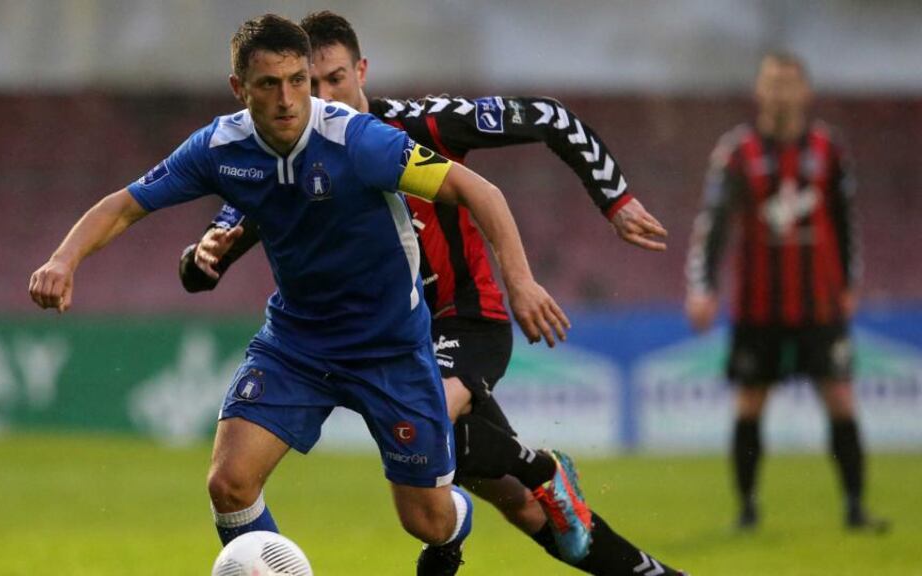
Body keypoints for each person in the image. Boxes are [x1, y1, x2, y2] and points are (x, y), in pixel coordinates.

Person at [28, 13, 574, 568]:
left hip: (390, 348)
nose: (289, 99)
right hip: (298, 343)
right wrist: (63, 259)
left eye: (298, 81)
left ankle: (454, 528)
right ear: (239, 89)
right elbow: (125, 204)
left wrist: (521, 281)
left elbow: (479, 191)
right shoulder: (220, 147)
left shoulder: (357, 140)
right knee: (229, 484)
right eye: (270, 84)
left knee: (426, 520)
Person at [181, 11, 686, 576]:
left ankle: (539, 472)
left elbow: (550, 117)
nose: (320, 96)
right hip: (386, 338)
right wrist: (202, 256)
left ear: (362, 70)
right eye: (309, 82)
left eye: (335, 79)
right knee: (510, 502)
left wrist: (613, 199)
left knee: (443, 431)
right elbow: (204, 266)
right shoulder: (288, 156)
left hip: (463, 321)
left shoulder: (415, 128)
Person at [685, 52, 887, 532]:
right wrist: (703, 287)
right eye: (771, 82)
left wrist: (851, 283)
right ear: (758, 91)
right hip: (759, 305)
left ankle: (855, 508)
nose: (779, 92)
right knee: (751, 401)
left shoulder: (828, 149)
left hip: (819, 301)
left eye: (788, 83)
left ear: (805, 91)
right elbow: (712, 225)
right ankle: (747, 510)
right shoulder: (736, 151)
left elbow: (845, 221)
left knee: (840, 395)